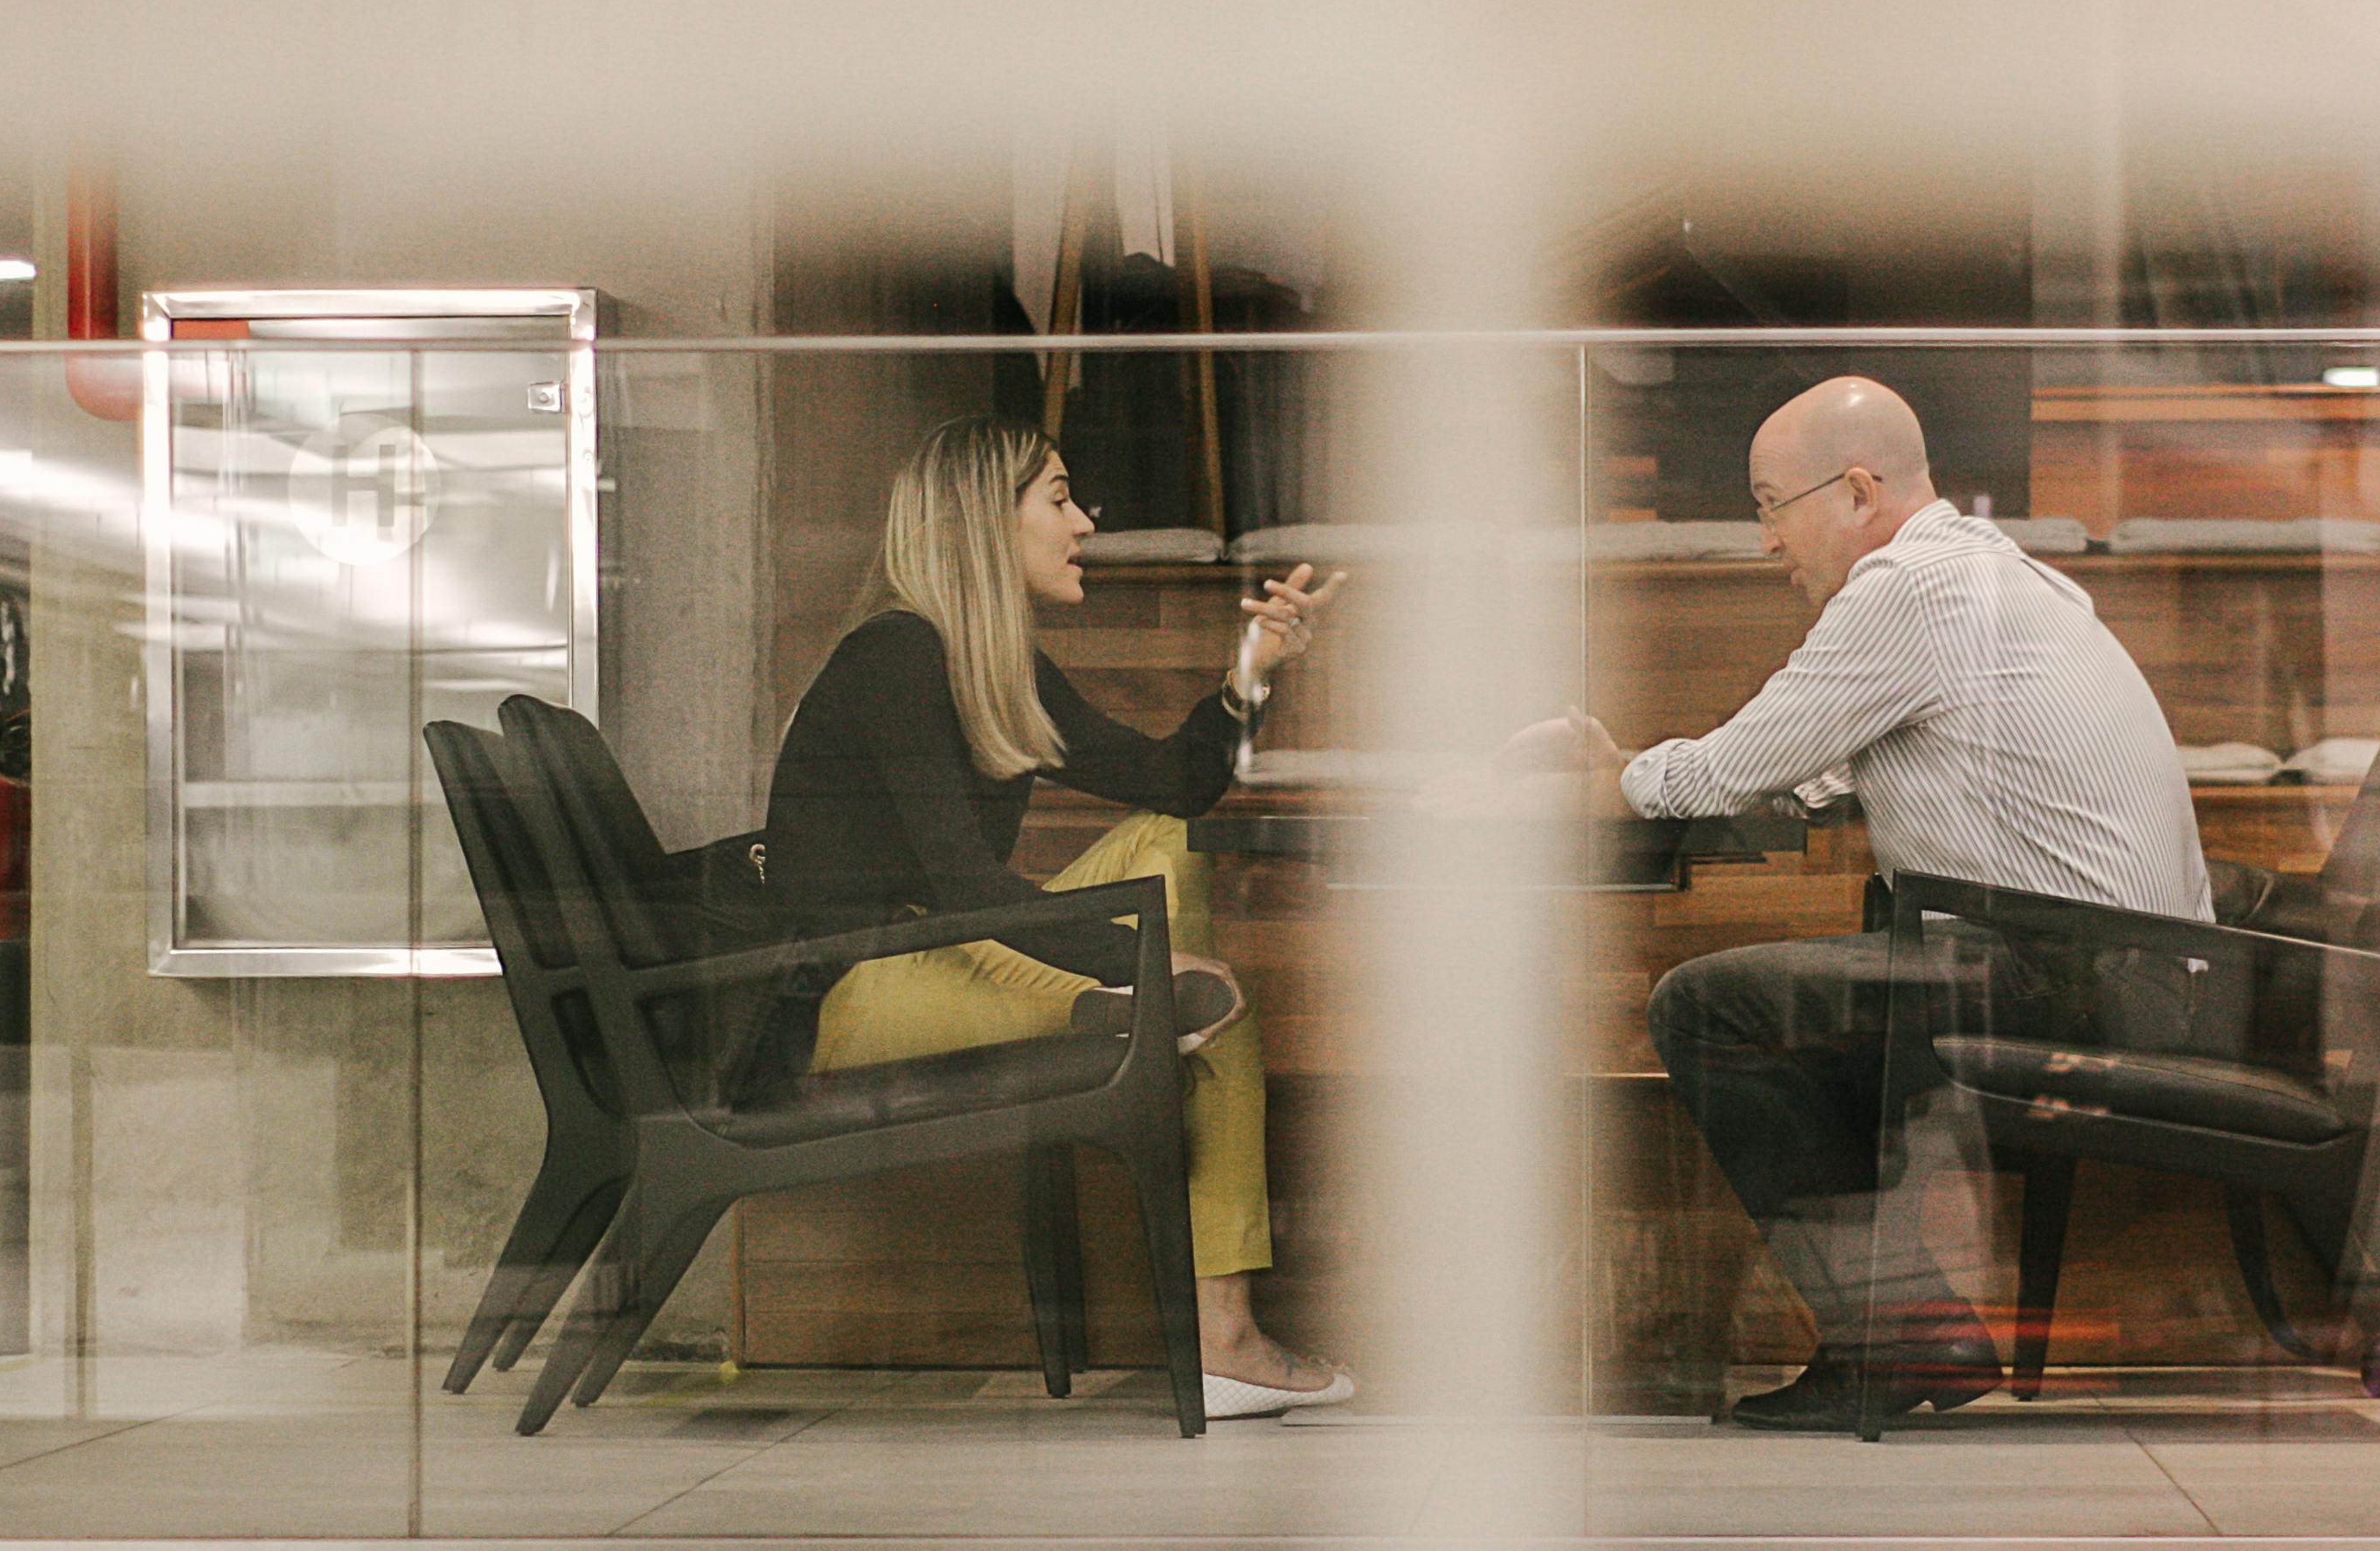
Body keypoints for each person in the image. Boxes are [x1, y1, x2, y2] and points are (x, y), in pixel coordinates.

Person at [1512, 377, 2211, 1431]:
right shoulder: (1975, 579)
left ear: (1852, 490)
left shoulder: (1914, 589)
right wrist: (1635, 770)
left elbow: (1728, 770)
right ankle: (1898, 1326)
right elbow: (1803, 770)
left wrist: (1590, 787)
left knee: (1710, 1006)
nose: (1764, 543)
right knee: (1800, 997)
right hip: (2111, 967)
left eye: (1767, 506)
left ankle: (1899, 1331)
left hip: (2078, 976)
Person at [763, 414, 1349, 1420]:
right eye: (1060, 498)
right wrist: (1138, 957)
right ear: (986, 524)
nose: (1083, 522)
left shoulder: (989, 659)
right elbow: (958, 886)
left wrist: (1250, 666)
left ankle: (1142, 1004)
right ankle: (1225, 1336)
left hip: (932, 952)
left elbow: (1172, 780)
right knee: (1208, 1012)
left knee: (1166, 834)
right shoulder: (894, 656)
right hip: (856, 989)